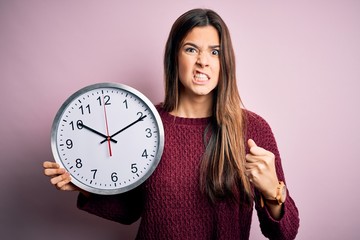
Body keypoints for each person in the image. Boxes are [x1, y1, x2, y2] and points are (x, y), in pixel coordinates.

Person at [43, 8, 299, 240]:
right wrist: (86, 187)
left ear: (225, 62)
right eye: (191, 49)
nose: (203, 61)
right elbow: (130, 210)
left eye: (215, 51)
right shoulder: (142, 123)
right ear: (174, 57)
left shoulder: (252, 128)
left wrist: (272, 191)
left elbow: (285, 234)